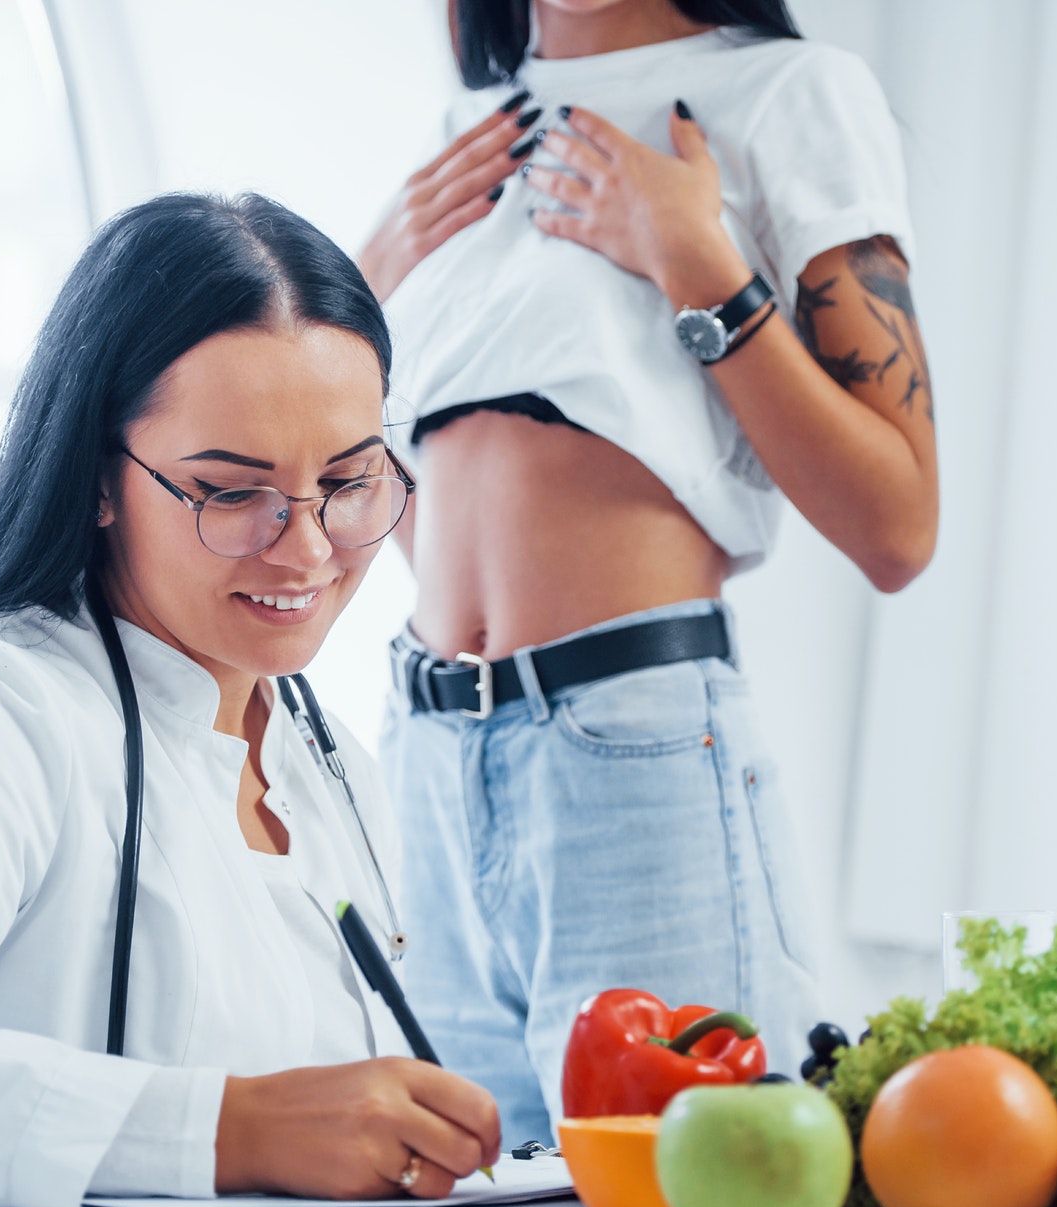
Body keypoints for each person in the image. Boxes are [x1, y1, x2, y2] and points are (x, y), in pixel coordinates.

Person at [0, 193, 501, 1207]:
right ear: (99, 479)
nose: (304, 549)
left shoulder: (332, 764)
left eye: (346, 481)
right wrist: (229, 1129)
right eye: (229, 491)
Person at [359, 0, 937, 1145]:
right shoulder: (466, 130)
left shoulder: (787, 96)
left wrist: (697, 262)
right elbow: (396, 486)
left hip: (628, 754)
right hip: (426, 764)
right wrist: (359, 282)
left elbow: (898, 522)